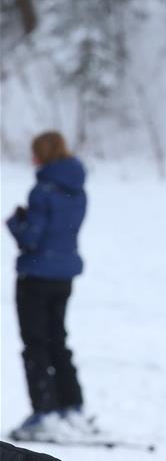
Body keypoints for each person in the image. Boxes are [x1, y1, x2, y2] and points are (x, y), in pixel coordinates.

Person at [6, 132, 91, 442]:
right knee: (59, 341)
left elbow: (31, 237)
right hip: (64, 275)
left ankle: (45, 411)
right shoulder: (78, 189)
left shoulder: (42, 191)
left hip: (37, 276)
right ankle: (72, 405)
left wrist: (16, 223)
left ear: (41, 155)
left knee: (35, 344)